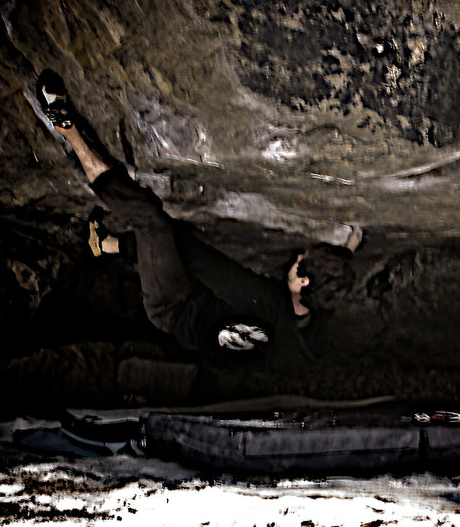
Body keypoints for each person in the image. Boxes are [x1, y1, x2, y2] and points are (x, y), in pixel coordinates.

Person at [36, 69, 362, 368]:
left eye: (301, 263)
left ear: (303, 282)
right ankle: (103, 246)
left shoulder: (262, 299)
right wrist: (346, 250)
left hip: (172, 305)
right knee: (158, 240)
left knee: (153, 222)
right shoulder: (310, 331)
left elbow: (195, 256)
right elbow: (329, 288)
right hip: (193, 322)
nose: (299, 256)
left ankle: (69, 131)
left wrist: (149, 242)